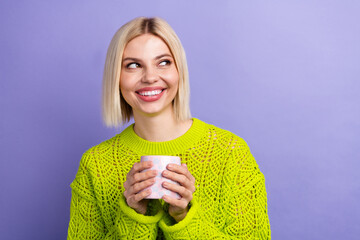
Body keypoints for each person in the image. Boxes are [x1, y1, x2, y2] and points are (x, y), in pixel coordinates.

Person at [67, 17, 271, 239]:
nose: (150, 77)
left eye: (163, 62)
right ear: (116, 78)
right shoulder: (95, 165)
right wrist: (134, 215)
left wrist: (183, 217)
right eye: (133, 65)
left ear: (179, 71)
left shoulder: (231, 154)